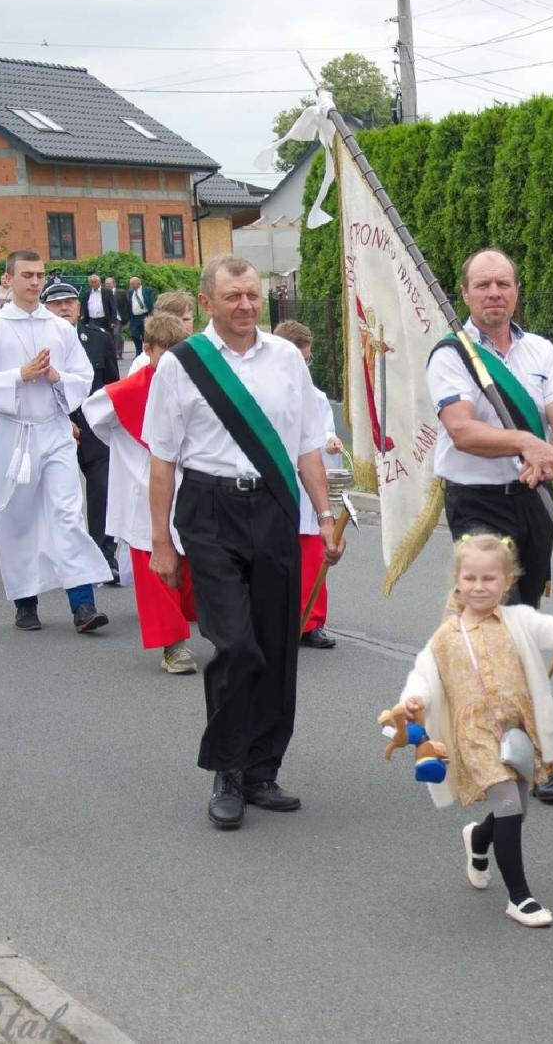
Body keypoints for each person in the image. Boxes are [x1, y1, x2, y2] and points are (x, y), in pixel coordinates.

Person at [143, 253, 347, 830]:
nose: (246, 306)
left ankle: (263, 769)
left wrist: (325, 514)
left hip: (276, 507)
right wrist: (160, 542)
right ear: (207, 301)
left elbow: (307, 444)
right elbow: (162, 460)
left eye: (254, 295)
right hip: (208, 510)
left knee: (278, 645)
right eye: (234, 296)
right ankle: (227, 770)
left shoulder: (286, 359)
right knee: (234, 644)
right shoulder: (182, 365)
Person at [425, 247, 553, 805]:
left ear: (517, 290)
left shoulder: (540, 350)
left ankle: (509, 735)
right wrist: (523, 440)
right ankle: (536, 757)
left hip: (531, 495)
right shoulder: (451, 355)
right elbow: (463, 431)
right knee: (501, 624)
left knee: (524, 624)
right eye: (483, 284)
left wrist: (551, 457)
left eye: (504, 283)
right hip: (477, 503)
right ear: (465, 293)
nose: (495, 293)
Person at [395, 534, 553, 927]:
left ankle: (478, 838)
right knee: (509, 803)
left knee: (515, 807)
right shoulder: (446, 637)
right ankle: (520, 897)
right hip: (473, 736)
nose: (479, 587)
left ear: (508, 581)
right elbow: (422, 676)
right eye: (471, 578)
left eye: (489, 579)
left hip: (516, 730)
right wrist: (413, 701)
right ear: (457, 581)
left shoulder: (520, 621)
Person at [0, 251, 112, 632]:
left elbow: (82, 375)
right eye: (26, 275)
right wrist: (19, 375)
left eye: (39, 275)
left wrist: (56, 378)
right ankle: (25, 602)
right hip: (13, 434)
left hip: (53, 429)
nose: (34, 282)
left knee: (67, 514)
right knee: (18, 518)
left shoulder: (60, 329)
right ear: (8, 279)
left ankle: (83, 603)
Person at [82, 312, 199, 675]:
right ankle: (172, 645)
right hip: (141, 490)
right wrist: (124, 445)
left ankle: (211, 626)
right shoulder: (126, 391)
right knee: (156, 570)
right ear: (146, 350)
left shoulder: (193, 386)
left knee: (196, 564)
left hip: (187, 488)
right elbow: (95, 414)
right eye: (165, 353)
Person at [274, 320, 344, 650]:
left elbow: (323, 430)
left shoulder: (315, 396)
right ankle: (276, 620)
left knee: (313, 556)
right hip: (272, 486)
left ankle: (312, 622)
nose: (303, 368)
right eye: (297, 361)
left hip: (307, 489)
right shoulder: (262, 391)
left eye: (307, 361)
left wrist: (330, 442)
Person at [46, 282, 122, 584]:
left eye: (70, 302)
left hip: (93, 427)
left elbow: (110, 386)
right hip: (53, 425)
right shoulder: (38, 341)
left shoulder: (98, 339)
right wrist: (63, 419)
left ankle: (104, 557)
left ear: (79, 307)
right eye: (57, 303)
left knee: (103, 489)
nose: (65, 308)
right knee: (57, 499)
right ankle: (59, 558)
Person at [128, 291, 194, 375]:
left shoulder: (203, 352)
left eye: (186, 320)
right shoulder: (144, 362)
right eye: (174, 321)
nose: (181, 325)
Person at [125, 275, 156, 358]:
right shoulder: (130, 292)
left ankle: (147, 352)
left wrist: (152, 315)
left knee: (145, 335)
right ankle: (138, 351)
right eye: (131, 284)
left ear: (138, 283)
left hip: (145, 316)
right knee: (135, 335)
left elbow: (151, 303)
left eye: (133, 284)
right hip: (134, 317)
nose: (131, 286)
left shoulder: (147, 290)